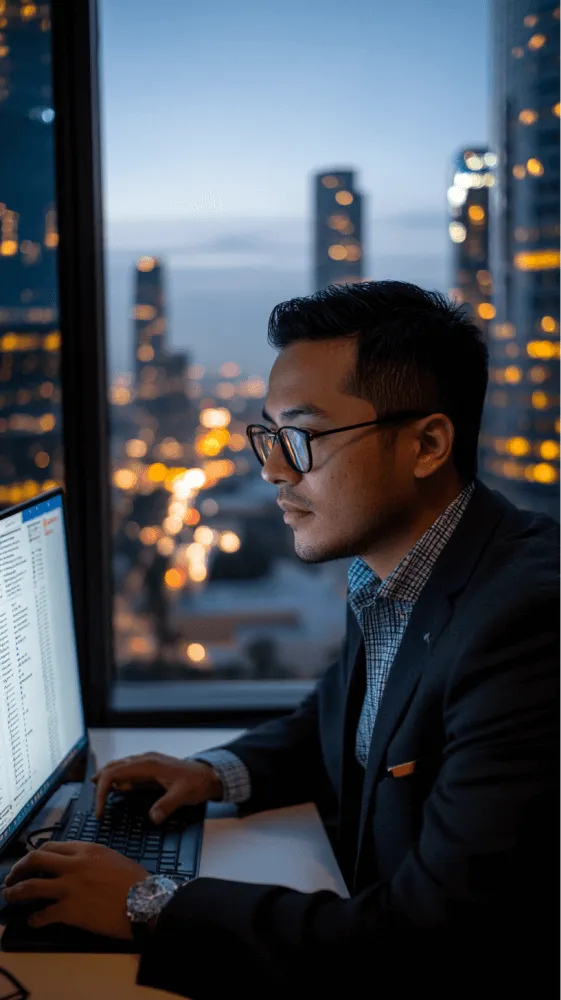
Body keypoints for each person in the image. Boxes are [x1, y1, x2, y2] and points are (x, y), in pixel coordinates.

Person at [4, 281, 560, 998]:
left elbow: (430, 942)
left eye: (300, 437)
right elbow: (342, 721)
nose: (271, 469)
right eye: (267, 435)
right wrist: (213, 773)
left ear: (426, 444)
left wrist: (146, 901)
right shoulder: (402, 571)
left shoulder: (523, 624)